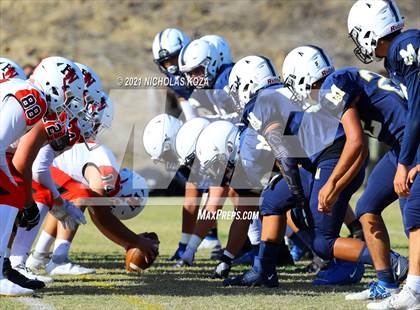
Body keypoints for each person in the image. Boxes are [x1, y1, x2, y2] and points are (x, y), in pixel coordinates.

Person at [348, 1, 419, 308]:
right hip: (407, 143)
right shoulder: (394, 56)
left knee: (414, 213)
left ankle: (414, 291)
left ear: (369, 32)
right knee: (367, 206)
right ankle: (387, 283)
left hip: (414, 145)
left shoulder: (408, 46)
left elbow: (419, 111)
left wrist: (405, 163)